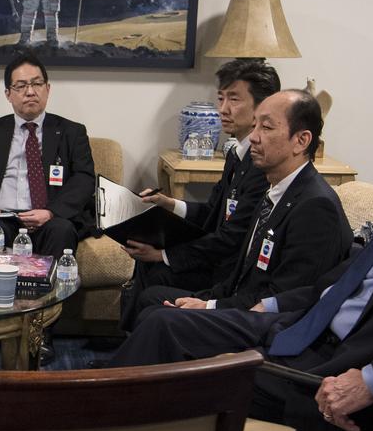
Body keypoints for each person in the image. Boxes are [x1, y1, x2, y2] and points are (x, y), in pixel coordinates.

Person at [111, 68, 373, 431]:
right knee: (166, 322)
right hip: (299, 327)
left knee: (169, 375)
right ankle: (96, 420)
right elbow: (346, 280)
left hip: (329, 372)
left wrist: (370, 381)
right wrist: (272, 304)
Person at [133, 89, 351, 319]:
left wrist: (211, 307)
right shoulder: (276, 191)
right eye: (255, 125)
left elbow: (281, 299)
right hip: (238, 300)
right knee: (153, 299)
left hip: (262, 324)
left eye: (266, 128)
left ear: (301, 140)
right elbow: (243, 273)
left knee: (159, 316)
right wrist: (208, 300)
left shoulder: (315, 207)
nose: (254, 137)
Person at [117, 59, 279, 331]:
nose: (223, 109)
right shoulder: (236, 155)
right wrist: (169, 204)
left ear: (261, 109)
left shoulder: (261, 164)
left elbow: (232, 238)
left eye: (234, 99)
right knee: (147, 261)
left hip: (229, 272)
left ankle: (135, 350)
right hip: (217, 261)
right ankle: (131, 347)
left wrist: (165, 255)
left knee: (156, 269)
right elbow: (212, 212)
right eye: (221, 98)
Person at [0, 51, 96, 362]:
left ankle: (41, 330)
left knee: (61, 230)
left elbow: (85, 180)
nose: (30, 91)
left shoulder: (72, 132)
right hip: (2, 217)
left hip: (49, 217)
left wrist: (52, 211)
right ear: (8, 94)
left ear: (48, 88)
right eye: (20, 86)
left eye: (36, 83)